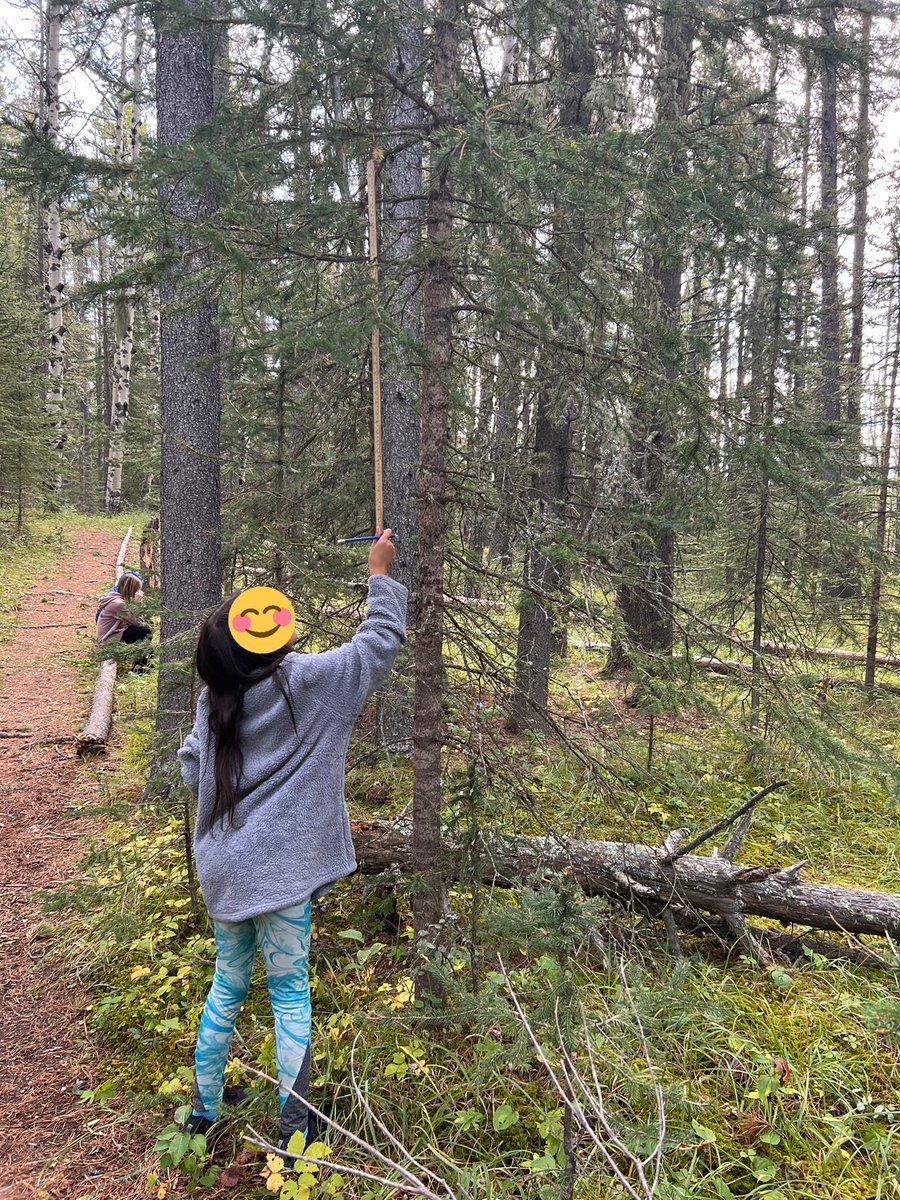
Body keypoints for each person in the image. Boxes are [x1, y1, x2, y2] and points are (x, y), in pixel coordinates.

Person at [176, 530, 406, 1154]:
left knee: (227, 981)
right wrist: (379, 575)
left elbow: (193, 769)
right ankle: (296, 1126)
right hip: (279, 878)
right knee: (288, 991)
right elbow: (378, 644)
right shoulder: (310, 684)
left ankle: (203, 1108)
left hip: (224, 870)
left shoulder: (213, 699)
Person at [95, 572, 152, 647]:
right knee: (145, 631)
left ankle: (137, 654)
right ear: (131, 590)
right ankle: (139, 657)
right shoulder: (118, 604)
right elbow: (139, 622)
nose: (138, 593)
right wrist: (137, 604)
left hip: (114, 632)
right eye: (137, 590)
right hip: (107, 639)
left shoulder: (116, 597)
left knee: (147, 625)